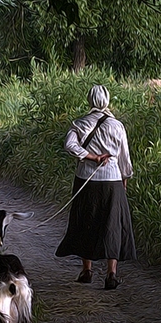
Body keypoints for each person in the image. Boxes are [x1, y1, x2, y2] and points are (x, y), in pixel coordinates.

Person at [56, 85, 137, 289]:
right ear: (107, 101)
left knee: (86, 222)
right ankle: (111, 273)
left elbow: (69, 145)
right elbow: (124, 158)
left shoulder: (80, 124)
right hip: (112, 181)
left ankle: (87, 271)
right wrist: (124, 179)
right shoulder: (117, 126)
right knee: (113, 225)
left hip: (86, 180)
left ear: (89, 100)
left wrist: (90, 156)